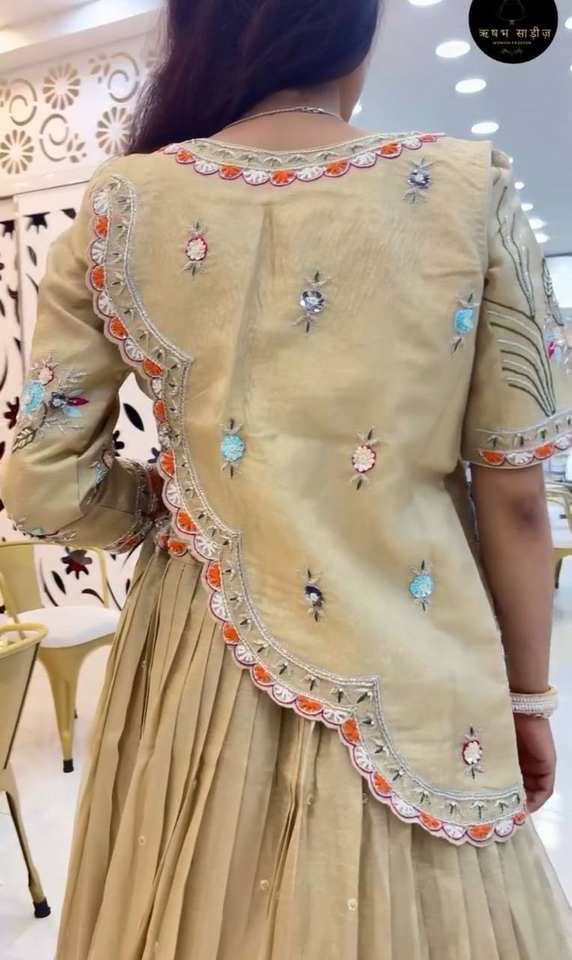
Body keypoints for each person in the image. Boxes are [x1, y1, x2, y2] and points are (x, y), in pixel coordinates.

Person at [3, 0, 572, 956]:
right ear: (354, 29)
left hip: (202, 657)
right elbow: (515, 497)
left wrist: (165, 502)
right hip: (418, 664)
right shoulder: (469, 189)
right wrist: (527, 704)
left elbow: (41, 483)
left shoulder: (122, 204)